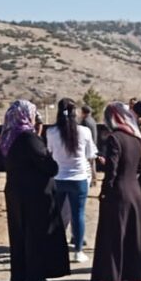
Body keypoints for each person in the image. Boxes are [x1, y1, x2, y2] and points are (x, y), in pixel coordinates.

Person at [0, 100, 70, 281]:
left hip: (15, 190)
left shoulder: (9, 136)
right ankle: (35, 276)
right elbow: (49, 165)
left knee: (20, 232)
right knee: (35, 233)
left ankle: (20, 274)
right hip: (34, 193)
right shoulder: (27, 137)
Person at [91, 102, 141, 281]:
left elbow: (112, 169)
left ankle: (112, 280)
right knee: (134, 236)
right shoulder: (136, 138)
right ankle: (136, 277)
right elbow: (140, 167)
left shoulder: (114, 138)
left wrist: (105, 191)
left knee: (114, 236)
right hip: (135, 192)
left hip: (119, 193)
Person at [46, 98, 98, 263]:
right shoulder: (84, 131)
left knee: (56, 215)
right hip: (79, 178)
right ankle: (78, 251)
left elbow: (50, 152)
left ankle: (54, 249)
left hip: (59, 178)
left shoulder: (51, 132)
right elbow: (90, 155)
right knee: (78, 214)